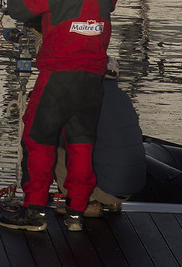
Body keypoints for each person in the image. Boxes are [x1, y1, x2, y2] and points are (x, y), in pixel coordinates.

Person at [0, 0, 119, 234]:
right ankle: (76, 212)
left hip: (58, 76)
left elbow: (18, 7)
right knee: (81, 144)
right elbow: (101, 5)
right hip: (92, 80)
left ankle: (35, 211)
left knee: (38, 139)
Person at [52, 58, 144, 216]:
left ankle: (88, 203)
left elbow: (65, 139)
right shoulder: (123, 98)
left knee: (56, 149)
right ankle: (112, 203)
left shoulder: (88, 100)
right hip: (130, 188)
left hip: (109, 187)